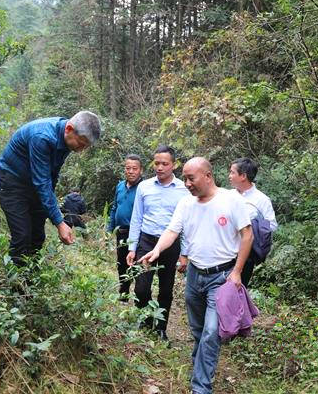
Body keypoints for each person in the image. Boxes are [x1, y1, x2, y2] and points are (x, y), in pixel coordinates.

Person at [138, 157, 253, 394]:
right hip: (194, 275)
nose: (187, 183)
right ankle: (200, 363)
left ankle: (201, 387)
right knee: (199, 330)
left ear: (208, 176)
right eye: (185, 178)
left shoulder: (231, 200)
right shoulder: (186, 204)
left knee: (211, 333)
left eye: (191, 178)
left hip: (221, 277)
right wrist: (157, 250)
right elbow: (172, 231)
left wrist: (237, 272)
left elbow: (247, 235)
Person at [0, 111, 101, 266]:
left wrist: (51, 213)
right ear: (69, 129)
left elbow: (51, 176)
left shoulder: (66, 140)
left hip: (34, 185)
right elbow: (42, 182)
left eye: (86, 146)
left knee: (38, 236)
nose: (82, 149)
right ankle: (17, 285)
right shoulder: (42, 137)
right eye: (82, 143)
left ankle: (31, 276)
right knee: (22, 236)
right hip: (12, 183)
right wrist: (59, 222)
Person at [126, 145, 189, 341]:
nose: (159, 167)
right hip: (146, 240)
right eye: (157, 163)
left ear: (174, 165)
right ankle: (145, 320)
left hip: (170, 245)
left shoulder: (183, 190)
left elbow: (187, 224)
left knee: (166, 288)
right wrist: (132, 247)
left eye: (164, 163)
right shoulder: (144, 187)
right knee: (141, 287)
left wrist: (184, 253)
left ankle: (161, 328)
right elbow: (136, 218)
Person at [228, 157, 277, 286]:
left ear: (243, 176)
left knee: (237, 290)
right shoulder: (227, 196)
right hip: (224, 251)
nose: (229, 176)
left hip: (246, 255)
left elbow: (272, 225)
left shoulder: (261, 200)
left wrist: (251, 224)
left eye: (232, 172)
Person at [107, 154, 143, 300]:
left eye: (134, 168)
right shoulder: (120, 186)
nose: (131, 171)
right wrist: (110, 229)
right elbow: (115, 207)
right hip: (120, 232)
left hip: (137, 234)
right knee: (121, 264)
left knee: (136, 265)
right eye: (128, 168)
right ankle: (124, 294)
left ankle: (139, 295)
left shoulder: (144, 188)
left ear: (141, 170)